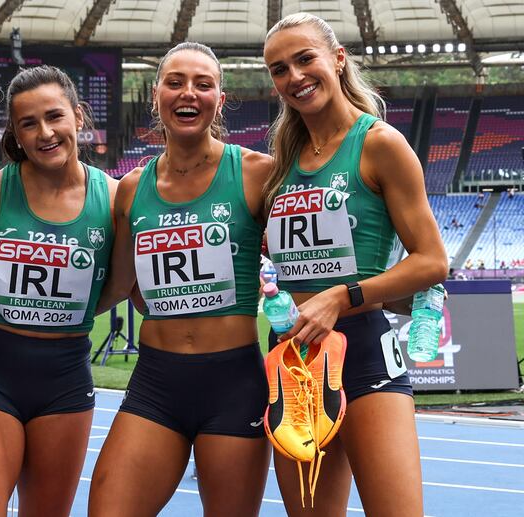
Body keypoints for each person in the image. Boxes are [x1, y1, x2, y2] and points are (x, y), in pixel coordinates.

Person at [262, 13, 448, 516]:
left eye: (305, 59)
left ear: (337, 58)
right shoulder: (280, 161)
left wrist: (343, 295)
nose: (294, 77)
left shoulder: (379, 144)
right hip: (294, 359)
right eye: (279, 69)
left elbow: (433, 261)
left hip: (364, 352)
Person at [89, 42, 273, 516]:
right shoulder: (131, 189)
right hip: (156, 382)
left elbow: (302, 260)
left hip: (235, 383)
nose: (187, 93)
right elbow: (122, 287)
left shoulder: (257, 174)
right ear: (156, 95)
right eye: (175, 82)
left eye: (202, 84)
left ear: (220, 99)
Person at [0, 65, 117, 517]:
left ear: (78, 118)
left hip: (65, 379)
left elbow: (120, 285)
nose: (45, 132)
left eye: (54, 116)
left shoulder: (115, 197)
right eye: (28, 123)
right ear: (15, 135)